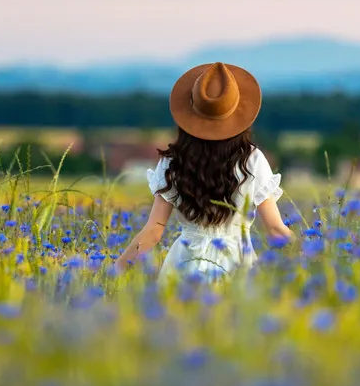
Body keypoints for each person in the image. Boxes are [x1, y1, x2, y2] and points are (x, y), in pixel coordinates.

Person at [114, 61, 294, 282]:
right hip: (237, 264)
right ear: (239, 116)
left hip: (184, 264)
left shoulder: (173, 161)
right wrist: (315, 260)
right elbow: (275, 229)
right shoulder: (252, 160)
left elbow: (153, 231)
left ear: (188, 115)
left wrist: (116, 269)